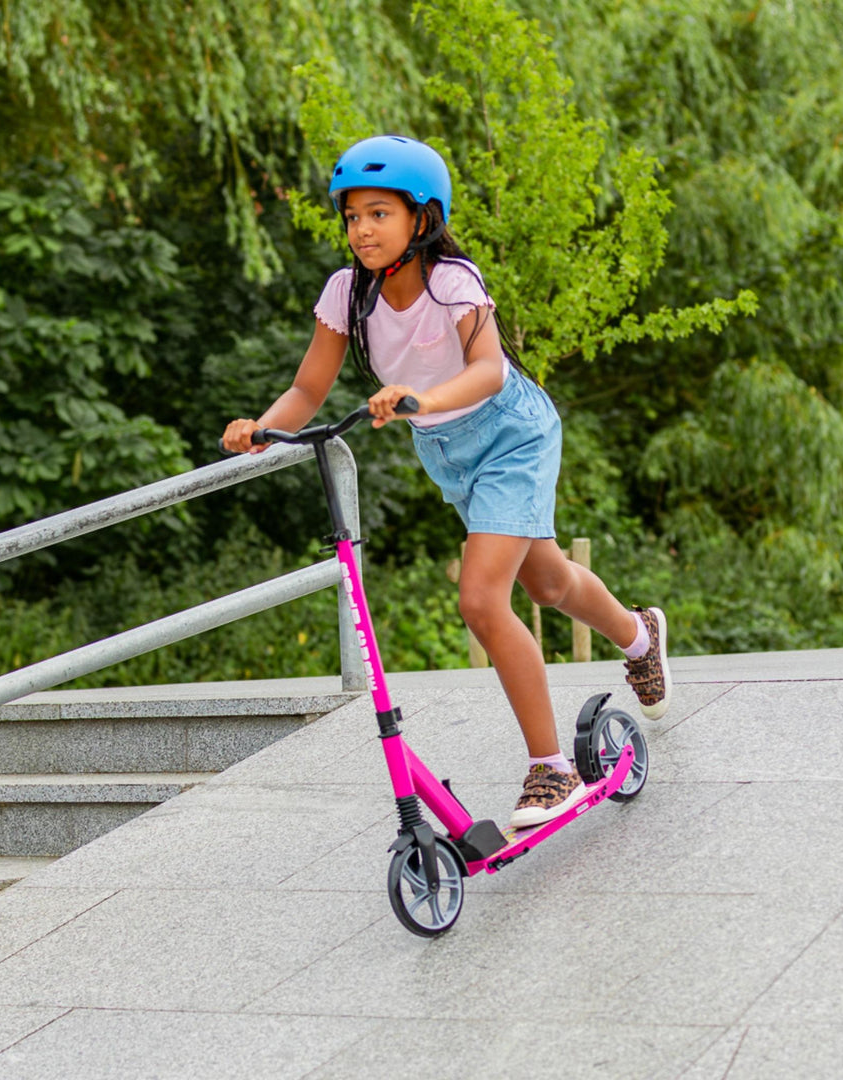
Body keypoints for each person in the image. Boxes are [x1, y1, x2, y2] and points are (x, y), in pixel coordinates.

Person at [222, 135, 672, 829]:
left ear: (421, 219)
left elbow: (488, 370)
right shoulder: (348, 292)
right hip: (448, 453)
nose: (361, 229)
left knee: (482, 600)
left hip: (511, 434)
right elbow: (308, 388)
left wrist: (421, 400)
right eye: (351, 216)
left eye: (379, 213)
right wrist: (260, 430)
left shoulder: (451, 280)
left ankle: (551, 769)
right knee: (547, 582)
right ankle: (638, 636)